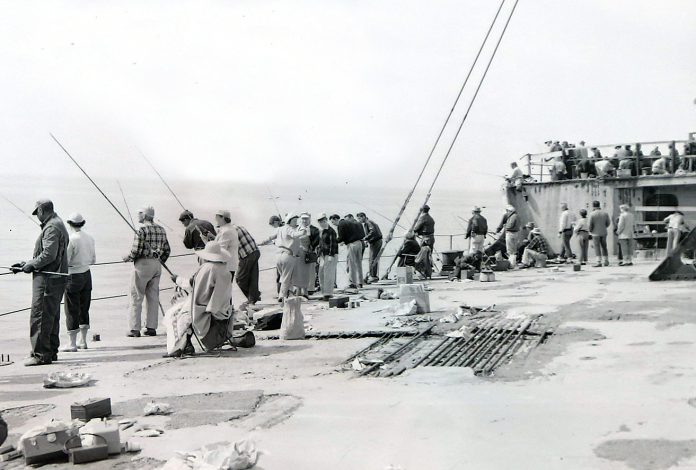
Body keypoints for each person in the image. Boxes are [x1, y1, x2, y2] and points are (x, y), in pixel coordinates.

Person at [11, 199, 69, 366]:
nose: (37, 216)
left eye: (37, 213)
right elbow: (49, 254)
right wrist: (26, 264)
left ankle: (41, 355)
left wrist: (32, 265)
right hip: (57, 277)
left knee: (40, 315)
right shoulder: (58, 223)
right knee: (51, 315)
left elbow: (49, 255)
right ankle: (50, 351)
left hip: (48, 279)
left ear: (42, 211)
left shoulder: (51, 227)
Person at [164, 241, 233, 357]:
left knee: (174, 314)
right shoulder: (225, 269)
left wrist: (177, 280)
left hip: (208, 315)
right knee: (183, 309)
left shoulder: (207, 269)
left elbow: (194, 286)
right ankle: (186, 344)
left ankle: (181, 346)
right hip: (222, 314)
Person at [123, 206, 171, 337]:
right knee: (153, 297)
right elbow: (167, 249)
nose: (138, 216)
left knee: (136, 296)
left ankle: (134, 329)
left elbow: (136, 249)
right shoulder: (161, 229)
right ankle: (151, 327)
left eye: (139, 213)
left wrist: (128, 257)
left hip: (142, 264)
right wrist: (159, 260)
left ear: (144, 215)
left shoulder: (142, 229)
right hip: (156, 265)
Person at [62, 213, 96, 352]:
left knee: (71, 310)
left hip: (73, 276)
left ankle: (72, 344)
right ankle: (83, 341)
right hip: (87, 275)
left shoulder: (71, 239)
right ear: (82, 223)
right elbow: (93, 260)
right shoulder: (90, 237)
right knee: (84, 308)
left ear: (70, 224)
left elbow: (66, 261)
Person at [331, 214, 363, 289]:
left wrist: (333, 241)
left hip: (352, 245)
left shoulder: (341, 224)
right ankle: (360, 282)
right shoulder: (351, 223)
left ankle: (352, 283)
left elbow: (341, 237)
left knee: (351, 264)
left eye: (333, 222)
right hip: (359, 243)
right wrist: (345, 241)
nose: (334, 224)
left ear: (336, 219)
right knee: (358, 264)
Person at [235, 224, 261, 306]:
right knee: (253, 277)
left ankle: (254, 295)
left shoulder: (229, 232)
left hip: (246, 255)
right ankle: (253, 298)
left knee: (239, 279)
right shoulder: (238, 226)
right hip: (255, 251)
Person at [293, 213, 317, 298]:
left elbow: (316, 241)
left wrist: (311, 248)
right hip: (298, 253)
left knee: (307, 273)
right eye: (303, 219)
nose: (304, 220)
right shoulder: (297, 228)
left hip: (308, 253)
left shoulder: (314, 229)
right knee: (297, 272)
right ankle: (298, 290)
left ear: (309, 219)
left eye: (306, 219)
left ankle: (307, 290)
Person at [356, 213, 383, 283]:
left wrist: (365, 238)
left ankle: (373, 276)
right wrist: (368, 240)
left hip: (376, 242)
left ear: (363, 217)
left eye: (359, 218)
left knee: (372, 259)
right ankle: (372, 275)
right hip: (374, 241)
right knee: (372, 259)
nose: (359, 220)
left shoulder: (368, 222)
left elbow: (372, 231)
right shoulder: (368, 223)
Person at [317, 213, 338, 300]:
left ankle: (328, 293)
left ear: (326, 221)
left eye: (322, 222)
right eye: (320, 222)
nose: (321, 224)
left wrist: (330, 255)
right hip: (323, 255)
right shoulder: (322, 231)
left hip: (330, 255)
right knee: (321, 273)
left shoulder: (331, 231)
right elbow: (320, 244)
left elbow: (333, 243)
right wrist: (318, 255)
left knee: (328, 274)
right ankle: (324, 293)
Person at [588, 200, 611, 267]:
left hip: (595, 233)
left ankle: (598, 261)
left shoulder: (592, 214)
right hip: (603, 232)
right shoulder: (605, 213)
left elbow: (590, 224)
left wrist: (590, 231)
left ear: (593, 206)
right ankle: (606, 260)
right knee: (604, 246)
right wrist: (604, 227)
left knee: (597, 247)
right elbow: (608, 223)